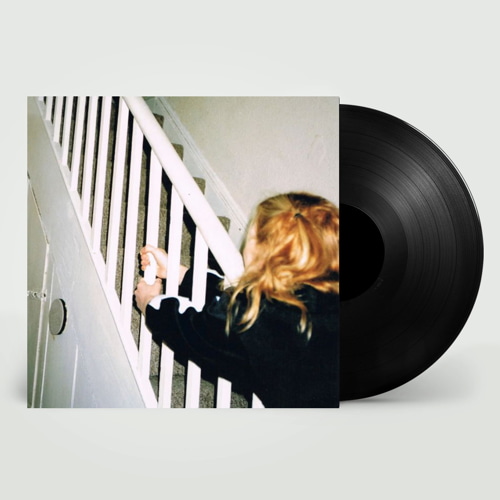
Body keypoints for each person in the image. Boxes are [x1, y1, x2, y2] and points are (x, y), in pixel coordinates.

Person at [134, 192, 339, 408]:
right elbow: (231, 297)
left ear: (260, 251)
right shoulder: (325, 302)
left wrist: (150, 302)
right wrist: (179, 273)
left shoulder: (259, 316)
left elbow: (194, 331)